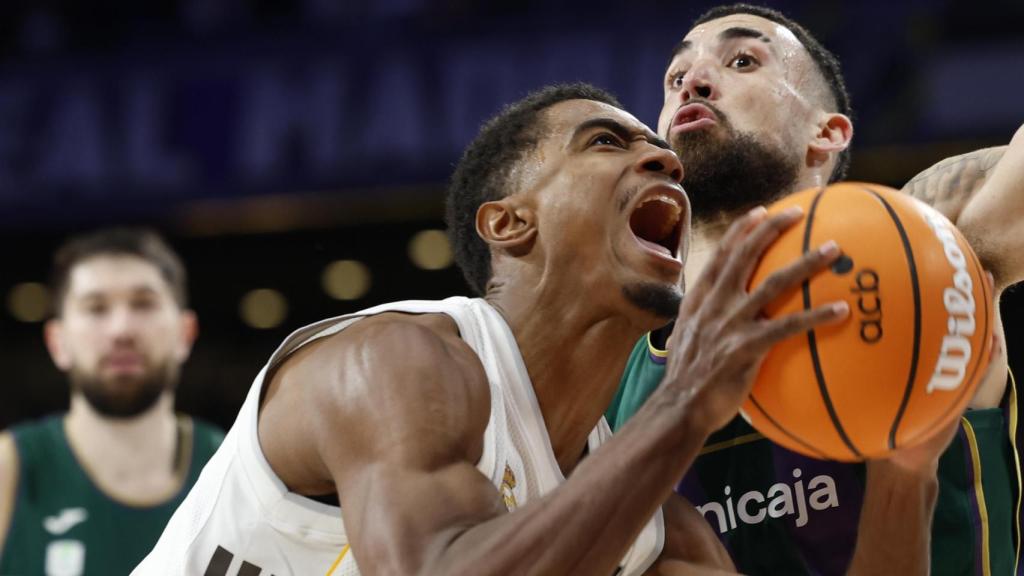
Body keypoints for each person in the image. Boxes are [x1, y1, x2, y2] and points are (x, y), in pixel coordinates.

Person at [137, 83, 956, 576]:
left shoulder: (651, 529)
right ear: (509, 223)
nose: (666, 159)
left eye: (662, 151)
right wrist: (685, 407)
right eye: (607, 142)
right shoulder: (397, 364)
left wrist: (905, 462)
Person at [605, 4, 1022, 574]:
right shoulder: (606, 380)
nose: (694, 82)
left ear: (826, 132)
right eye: (675, 79)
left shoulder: (930, 269)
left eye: (742, 60)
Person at [0, 228, 223, 576]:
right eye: (96, 308)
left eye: (143, 304)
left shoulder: (233, 469)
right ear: (57, 342)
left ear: (185, 333)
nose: (121, 329)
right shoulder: (9, 469)